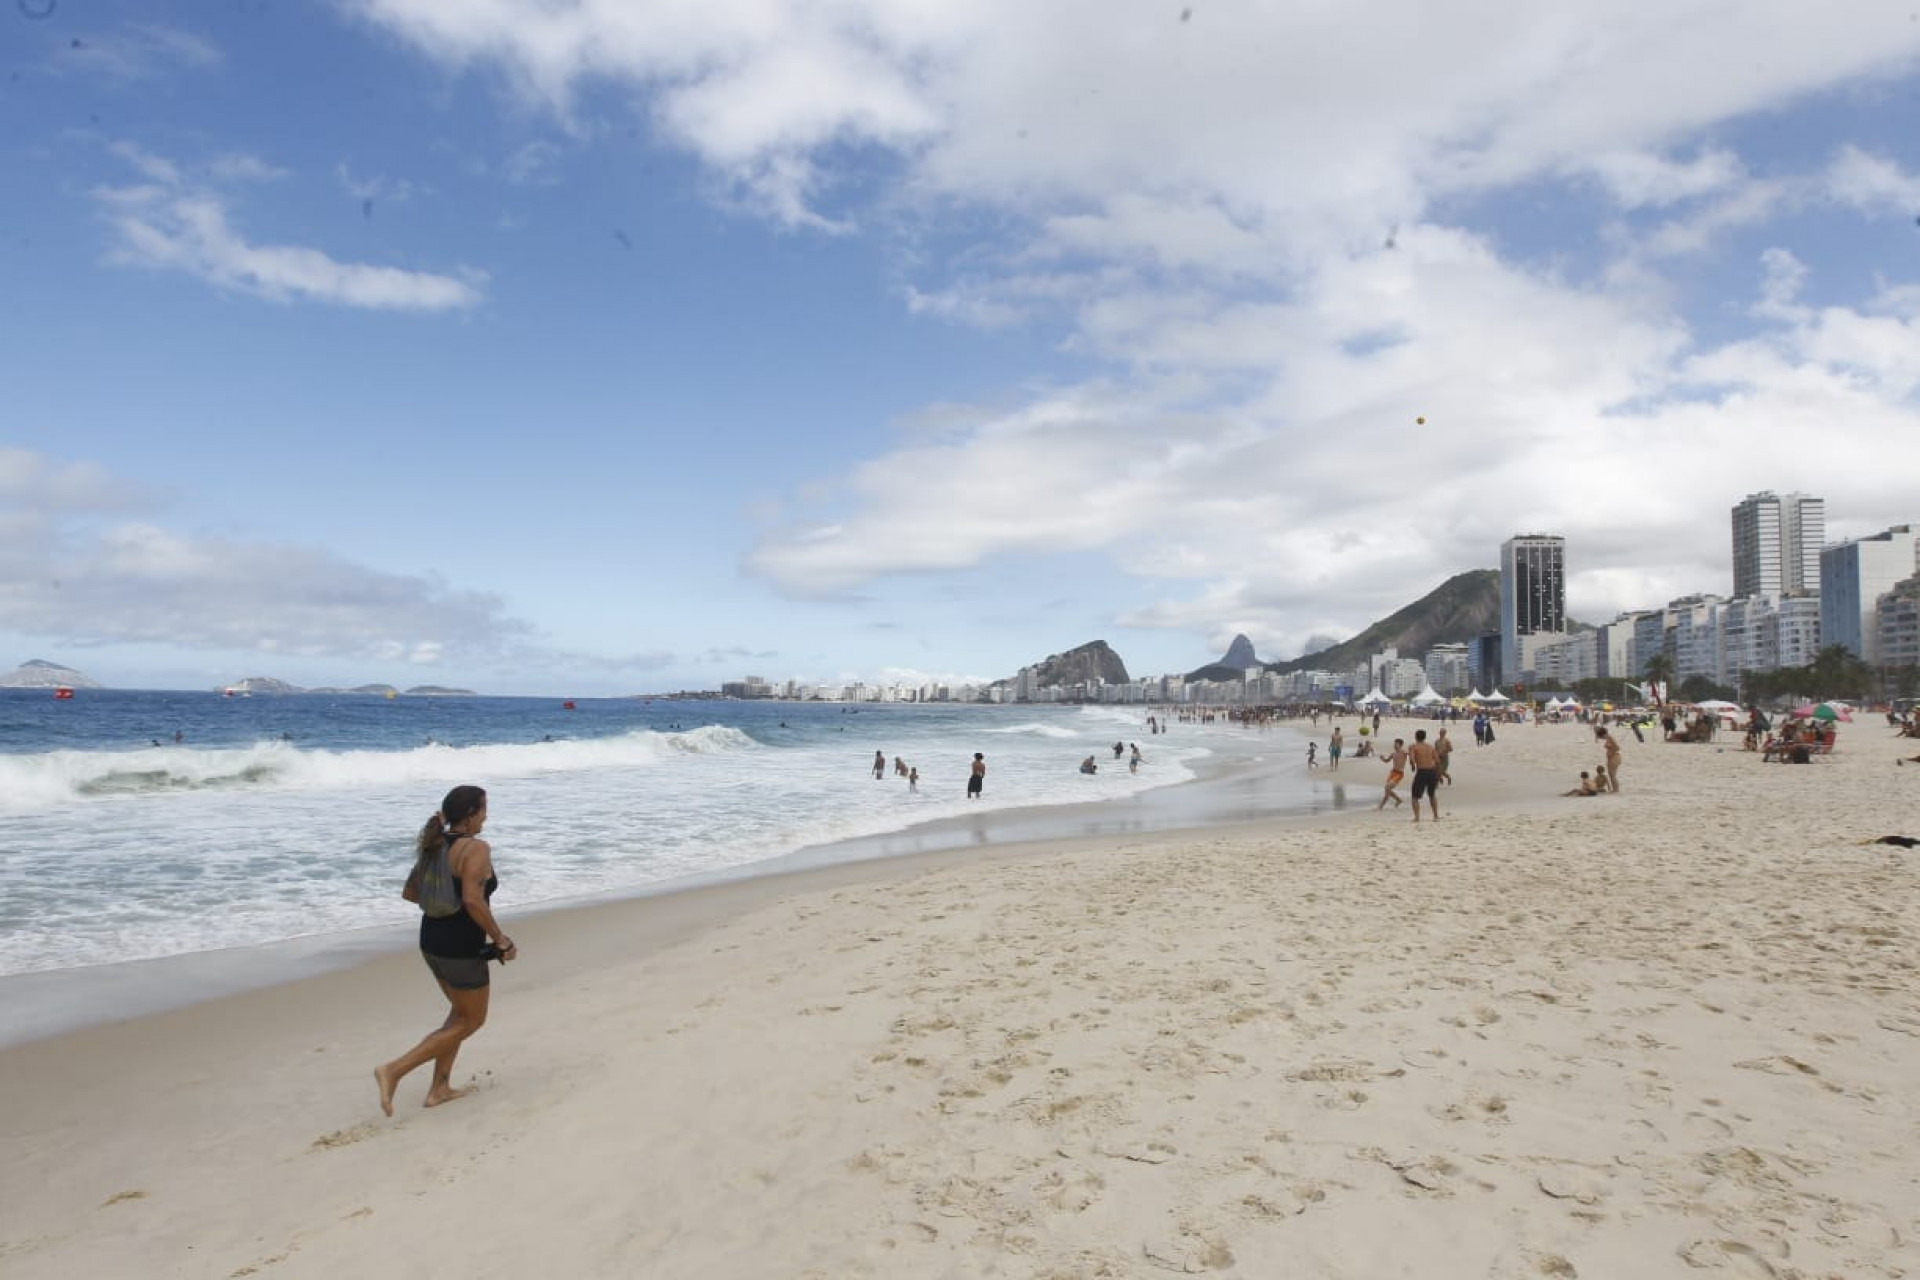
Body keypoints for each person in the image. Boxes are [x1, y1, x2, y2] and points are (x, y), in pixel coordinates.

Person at [375, 785, 515, 1117]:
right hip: (461, 947)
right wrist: (500, 939)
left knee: (458, 1015)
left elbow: (411, 893)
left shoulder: (434, 846)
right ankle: (393, 1070)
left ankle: (439, 1089)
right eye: (483, 809)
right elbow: (472, 900)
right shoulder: (475, 849)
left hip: (431, 942)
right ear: (470, 814)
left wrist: (441, 901)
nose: (486, 816)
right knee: (472, 1020)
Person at [1408, 729, 1441, 823]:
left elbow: (1412, 758)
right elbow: (1437, 760)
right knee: (1432, 794)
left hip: (1422, 772)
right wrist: (1439, 775)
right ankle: (1435, 816)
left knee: (1415, 796)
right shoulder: (1430, 747)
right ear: (1424, 737)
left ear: (1416, 737)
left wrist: (1413, 765)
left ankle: (1417, 817)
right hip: (1432, 772)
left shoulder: (1413, 746)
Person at [1377, 737, 1407, 809]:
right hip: (1393, 773)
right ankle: (1398, 800)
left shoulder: (1404, 752)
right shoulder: (1393, 754)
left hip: (1399, 773)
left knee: (1387, 788)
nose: (1395, 746)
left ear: (1400, 745)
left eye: (1396, 744)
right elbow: (1386, 761)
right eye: (1394, 744)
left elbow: (1412, 754)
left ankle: (1381, 806)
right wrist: (1382, 758)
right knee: (1387, 789)